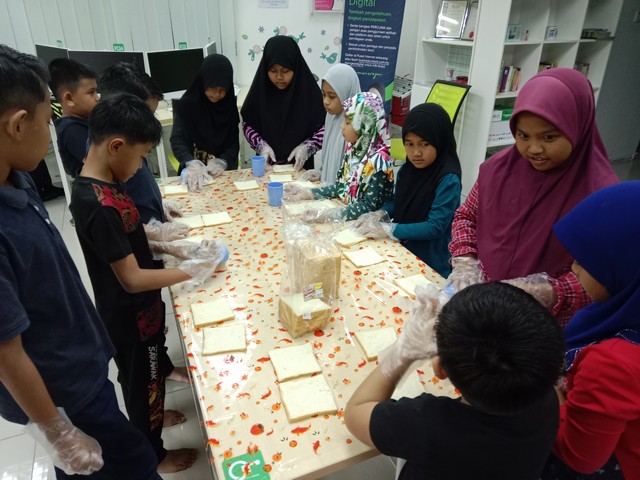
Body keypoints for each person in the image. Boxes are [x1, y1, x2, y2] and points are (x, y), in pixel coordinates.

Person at [0, 44, 162, 479]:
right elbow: (6, 351)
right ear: (18, 124)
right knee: (136, 464)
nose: (49, 131)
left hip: (81, 367)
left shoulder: (17, 179)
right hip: (60, 391)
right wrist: (57, 431)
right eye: (45, 119)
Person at [69, 94, 227, 473]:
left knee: (149, 379)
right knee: (144, 384)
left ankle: (151, 420)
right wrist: (194, 270)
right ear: (116, 146)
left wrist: (171, 247)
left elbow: (131, 235)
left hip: (144, 315)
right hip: (130, 318)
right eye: (141, 157)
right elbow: (132, 278)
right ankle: (154, 453)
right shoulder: (98, 204)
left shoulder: (107, 183)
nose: (141, 166)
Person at [447, 68, 618, 326]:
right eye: (523, 136)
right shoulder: (497, 170)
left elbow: (604, 280)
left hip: (544, 325)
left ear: (577, 127)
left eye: (549, 137)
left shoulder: (604, 198)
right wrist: (465, 262)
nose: (534, 149)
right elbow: (466, 217)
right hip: (483, 307)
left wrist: (545, 292)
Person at [344, 282, 565, 479]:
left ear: (439, 368)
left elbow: (355, 412)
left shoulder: (428, 425)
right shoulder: (549, 399)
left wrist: (403, 352)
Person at [540, 181, 640, 479]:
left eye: (586, 261)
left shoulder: (612, 363)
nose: (573, 268)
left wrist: (550, 393)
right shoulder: (618, 311)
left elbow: (579, 456)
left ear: (626, 268)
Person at [354, 103, 462, 277]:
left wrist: (389, 229)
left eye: (424, 144)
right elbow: (398, 200)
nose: (416, 152)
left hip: (430, 261)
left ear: (440, 141)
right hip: (403, 251)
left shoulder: (448, 180)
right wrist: (381, 213)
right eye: (409, 144)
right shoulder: (407, 170)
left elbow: (435, 227)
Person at [99, 62, 185, 228]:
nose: (149, 123)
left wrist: (158, 204)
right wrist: (149, 231)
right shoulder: (111, 153)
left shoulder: (131, 140)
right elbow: (116, 220)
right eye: (147, 114)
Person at [284, 91, 394, 221]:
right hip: (348, 215)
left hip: (367, 225)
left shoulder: (379, 162)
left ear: (364, 126)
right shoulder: (354, 150)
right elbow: (342, 188)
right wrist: (310, 193)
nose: (342, 126)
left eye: (347, 122)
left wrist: (332, 215)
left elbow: (368, 206)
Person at [241, 35, 325, 171]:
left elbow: (325, 127)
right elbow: (248, 124)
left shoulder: (309, 94)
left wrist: (307, 147)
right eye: (273, 71)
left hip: (300, 168)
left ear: (295, 68)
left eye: (285, 71)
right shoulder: (261, 92)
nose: (279, 77)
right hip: (267, 167)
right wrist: (261, 146)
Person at [171, 53, 239, 192]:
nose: (217, 94)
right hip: (193, 174)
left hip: (222, 174)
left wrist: (223, 161)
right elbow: (177, 139)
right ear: (203, 82)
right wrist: (190, 162)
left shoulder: (228, 105)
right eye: (212, 88)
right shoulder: (187, 104)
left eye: (222, 90)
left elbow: (233, 143)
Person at [301, 63, 361, 184]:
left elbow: (351, 178)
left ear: (346, 93)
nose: (326, 101)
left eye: (332, 96)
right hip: (329, 191)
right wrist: (321, 172)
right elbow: (331, 157)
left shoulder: (356, 126)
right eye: (324, 94)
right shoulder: (331, 117)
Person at [48, 58, 98, 178]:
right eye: (91, 92)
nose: (97, 97)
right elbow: (102, 162)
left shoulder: (84, 121)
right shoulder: (71, 130)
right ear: (69, 99)